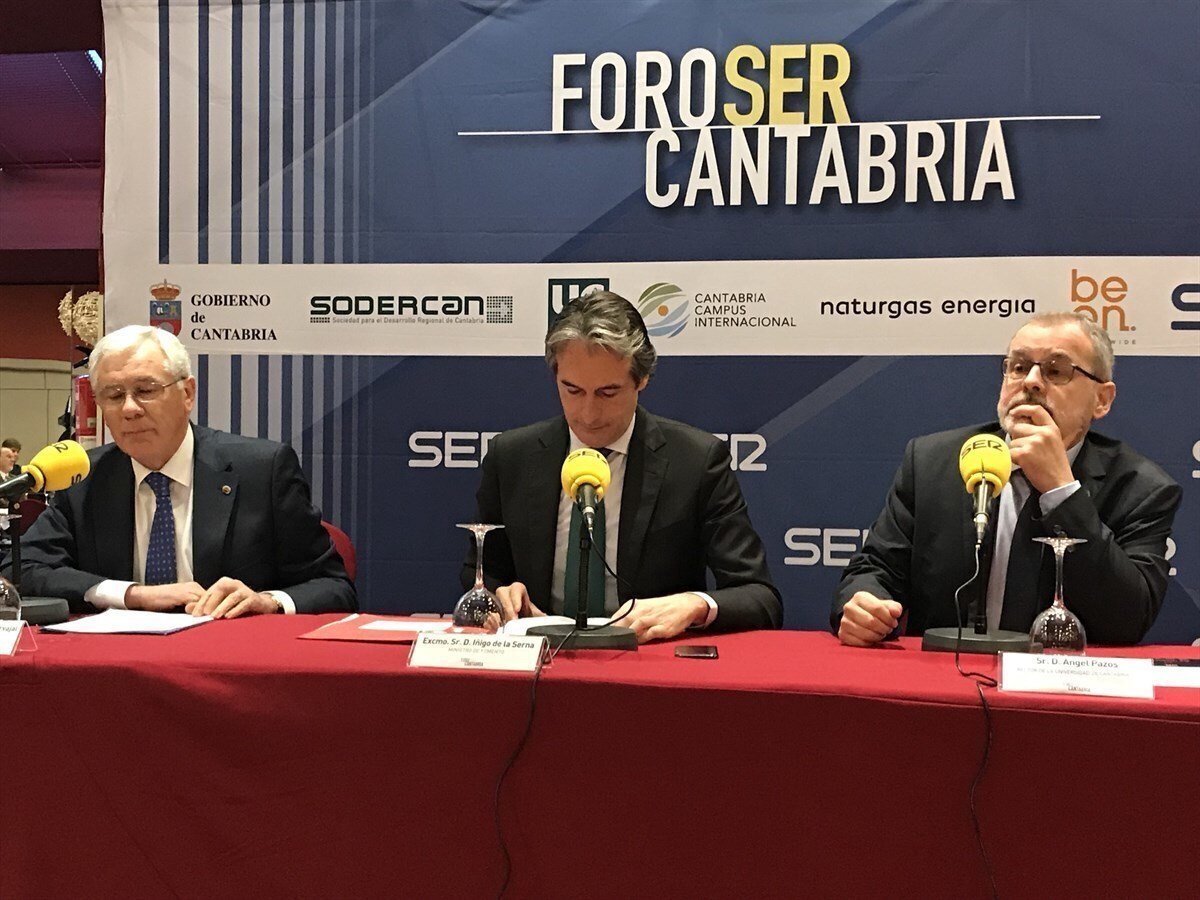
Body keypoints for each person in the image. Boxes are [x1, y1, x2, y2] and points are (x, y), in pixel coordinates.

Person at [833, 312, 1181, 647]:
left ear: (1101, 400)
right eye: (1018, 367)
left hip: (1061, 683)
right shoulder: (932, 462)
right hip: (942, 676)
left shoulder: (1141, 489)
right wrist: (864, 602)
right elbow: (875, 568)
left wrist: (1062, 491)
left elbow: (1128, 618)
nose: (1030, 381)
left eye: (1056, 370)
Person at [463, 291, 782, 643]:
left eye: (608, 393)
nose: (588, 414)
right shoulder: (511, 456)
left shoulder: (696, 461)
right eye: (572, 390)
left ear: (641, 380)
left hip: (649, 660)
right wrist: (500, 595)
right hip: (542, 657)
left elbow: (760, 598)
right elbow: (482, 574)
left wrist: (693, 605)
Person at [1, 325, 355, 617]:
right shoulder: (84, 477)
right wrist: (132, 595)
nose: (129, 409)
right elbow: (21, 570)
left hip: (230, 661)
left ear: (187, 393)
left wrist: (267, 601)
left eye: (145, 390)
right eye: (113, 395)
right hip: (116, 664)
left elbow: (333, 586)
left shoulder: (262, 470)